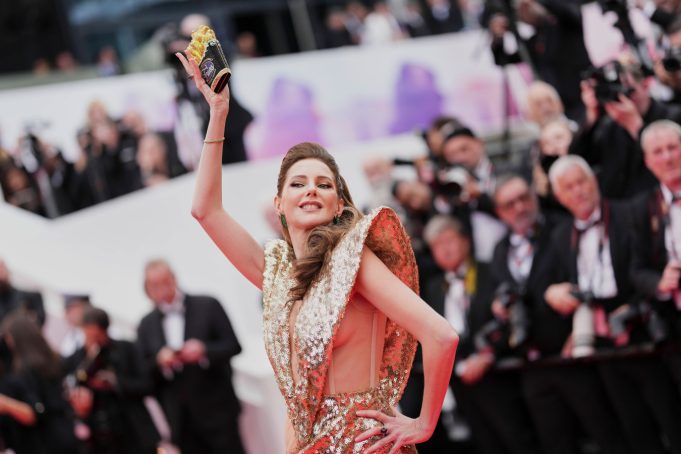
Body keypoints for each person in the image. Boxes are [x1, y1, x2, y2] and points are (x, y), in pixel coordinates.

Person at [177, 51, 459, 453]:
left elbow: (441, 335)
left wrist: (424, 423)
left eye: (324, 184)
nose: (311, 189)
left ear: (339, 204)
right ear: (279, 203)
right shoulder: (276, 273)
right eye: (298, 183)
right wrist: (218, 112)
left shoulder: (354, 261)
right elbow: (205, 210)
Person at [546, 154, 681, 453]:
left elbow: (646, 266)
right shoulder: (560, 236)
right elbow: (555, 284)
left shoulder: (629, 213)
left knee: (671, 417)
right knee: (634, 426)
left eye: (581, 182)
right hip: (601, 341)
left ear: (594, 181)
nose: (578, 191)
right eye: (568, 187)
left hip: (643, 328)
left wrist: (635, 306)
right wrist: (553, 292)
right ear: (558, 196)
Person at [136, 260, 243, 454]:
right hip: (180, 420)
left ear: (174, 279)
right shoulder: (146, 324)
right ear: (147, 289)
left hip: (217, 411)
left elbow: (233, 346)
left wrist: (204, 350)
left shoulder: (207, 305)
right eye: (154, 285)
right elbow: (144, 371)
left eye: (164, 282)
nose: (161, 289)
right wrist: (160, 361)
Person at [65, 307, 159, 454]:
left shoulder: (127, 349)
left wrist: (115, 382)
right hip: (99, 436)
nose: (94, 341)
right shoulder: (76, 360)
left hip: (133, 431)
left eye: (97, 336)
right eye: (89, 335)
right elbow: (70, 389)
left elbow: (147, 384)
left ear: (106, 331)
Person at [0, 313, 81, 454]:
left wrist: (6, 404)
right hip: (65, 432)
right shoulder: (53, 362)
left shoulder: (26, 371)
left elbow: (35, 413)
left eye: (8, 338)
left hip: (46, 441)